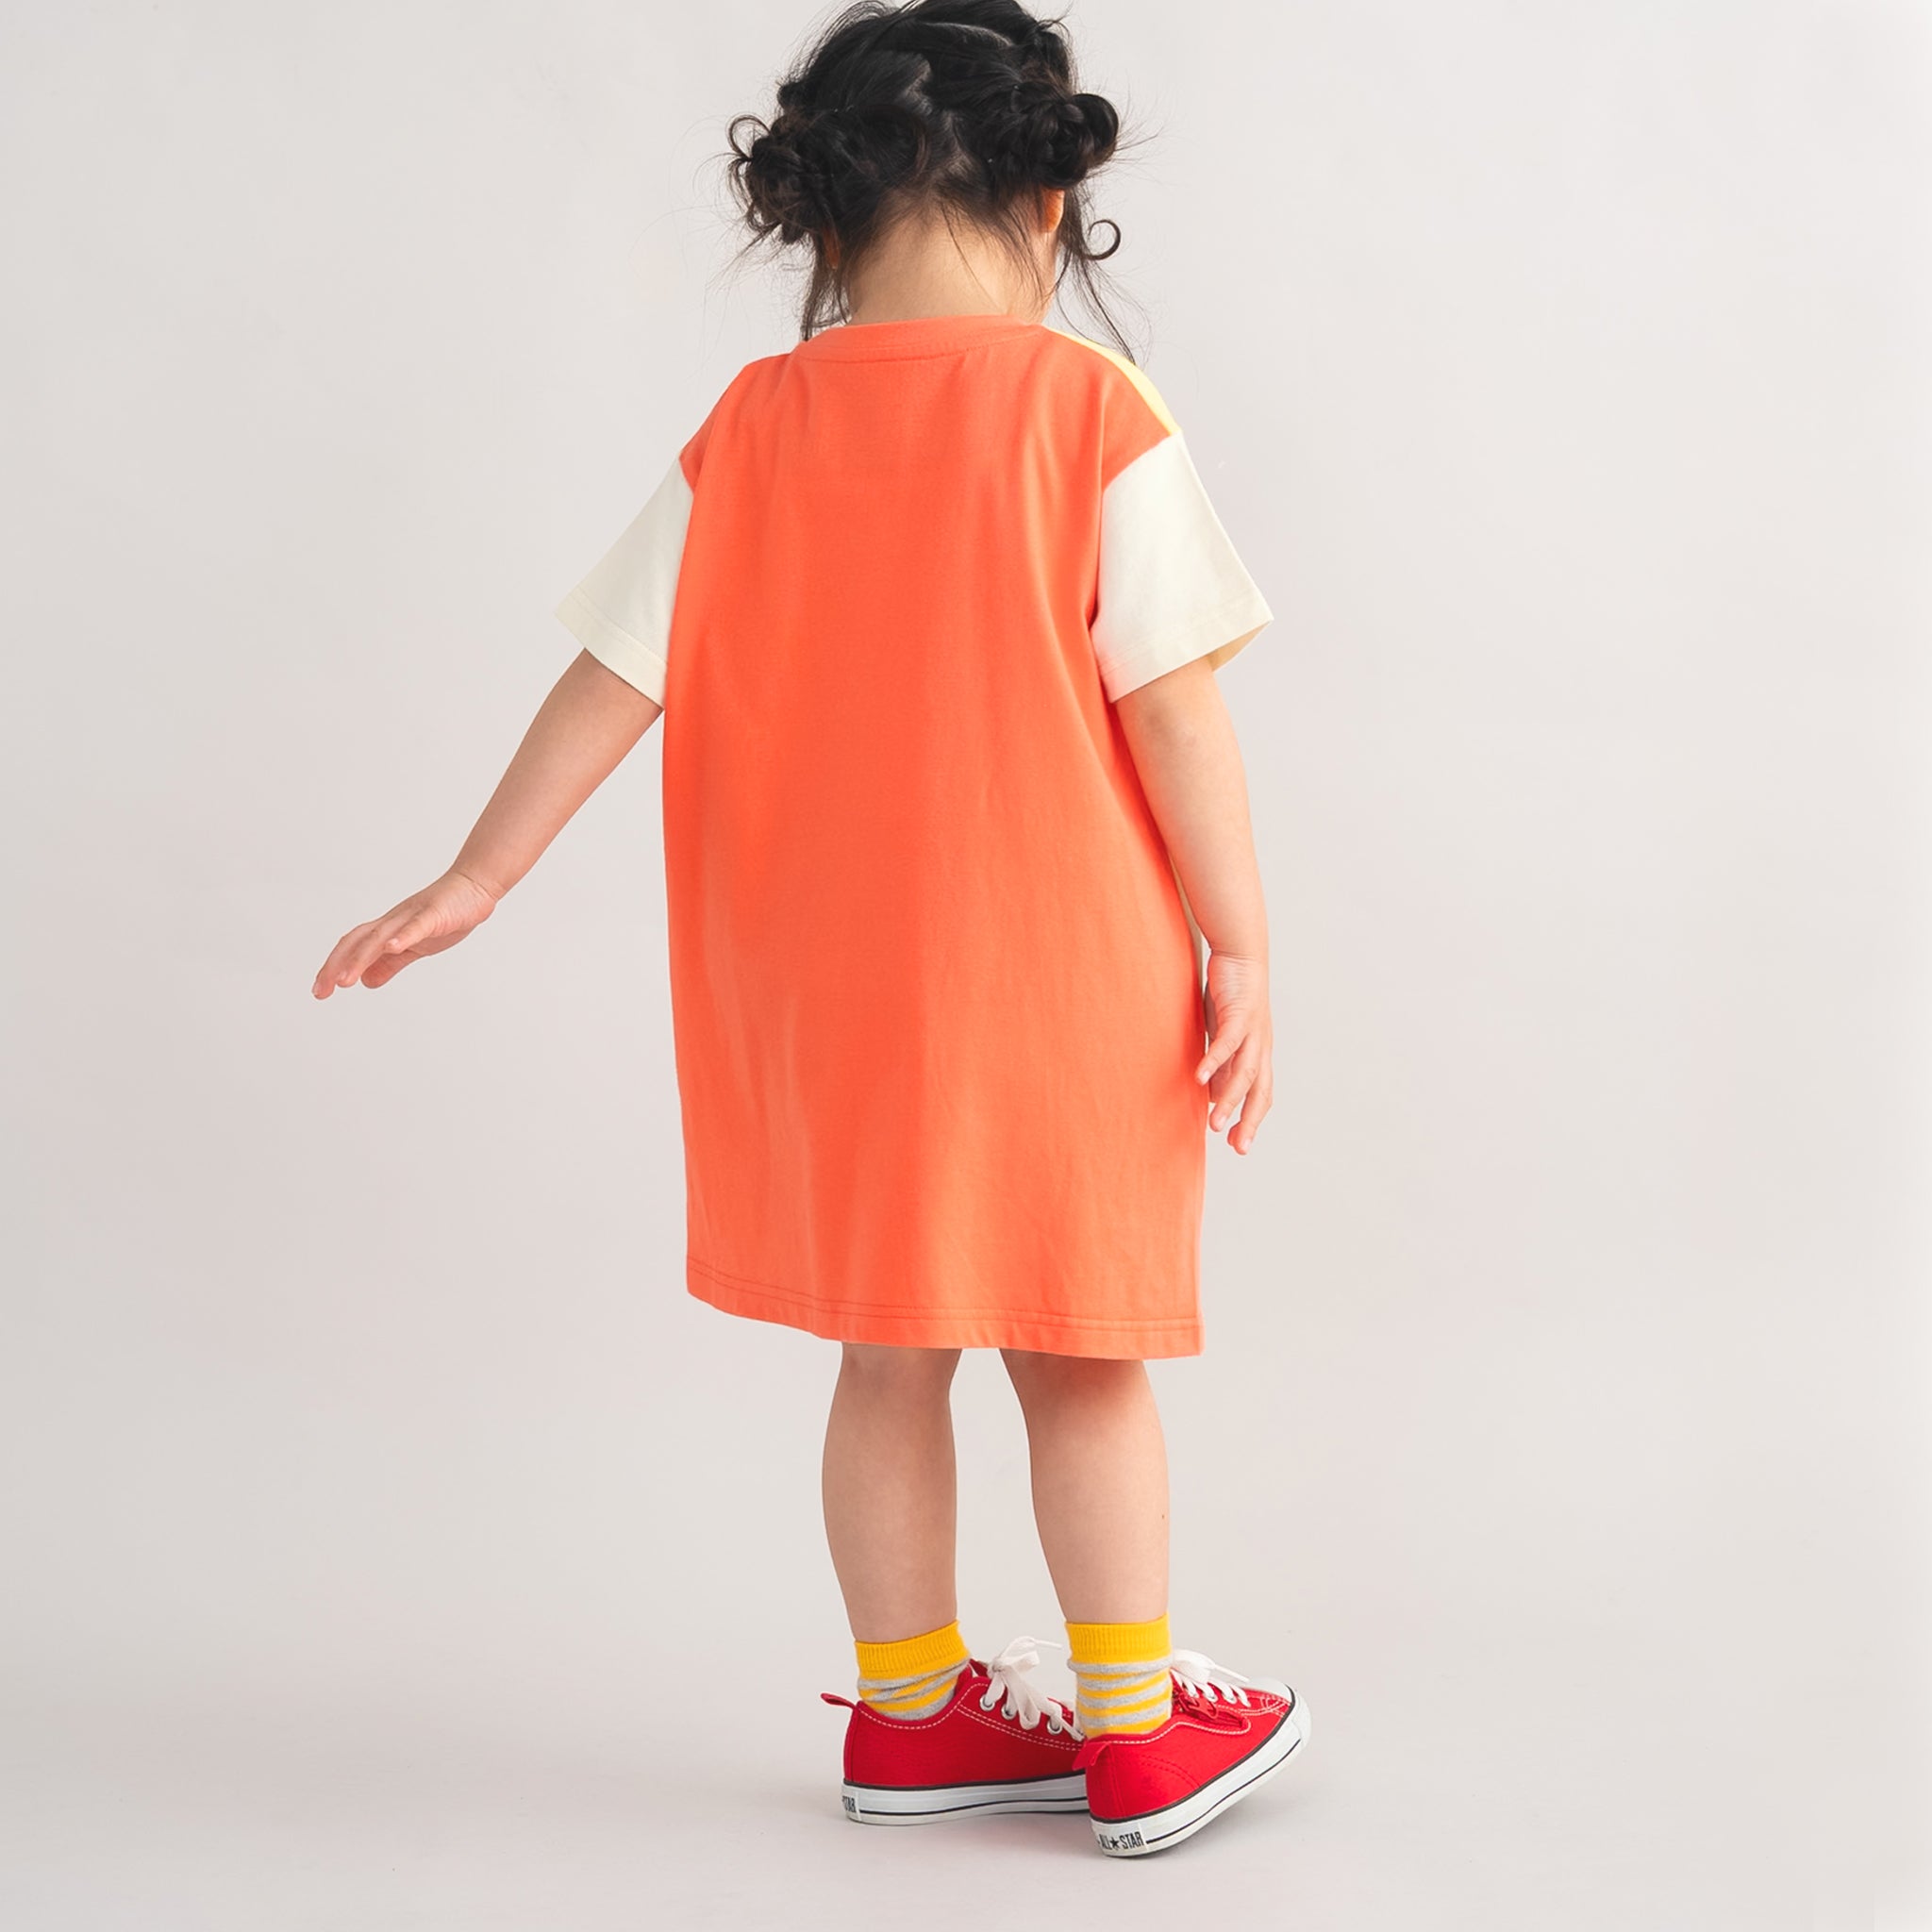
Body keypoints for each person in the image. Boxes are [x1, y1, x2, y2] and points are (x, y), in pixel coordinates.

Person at [312, 0, 1308, 1859]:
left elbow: (618, 673)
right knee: (1081, 1350)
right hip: (1059, 972)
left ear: (822, 221)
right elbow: (1172, 701)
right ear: (1049, 205)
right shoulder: (1090, 408)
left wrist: (476, 875)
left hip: (825, 991)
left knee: (887, 1350)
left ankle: (913, 1716)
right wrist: (1239, 944)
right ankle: (1134, 1732)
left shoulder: (753, 423)